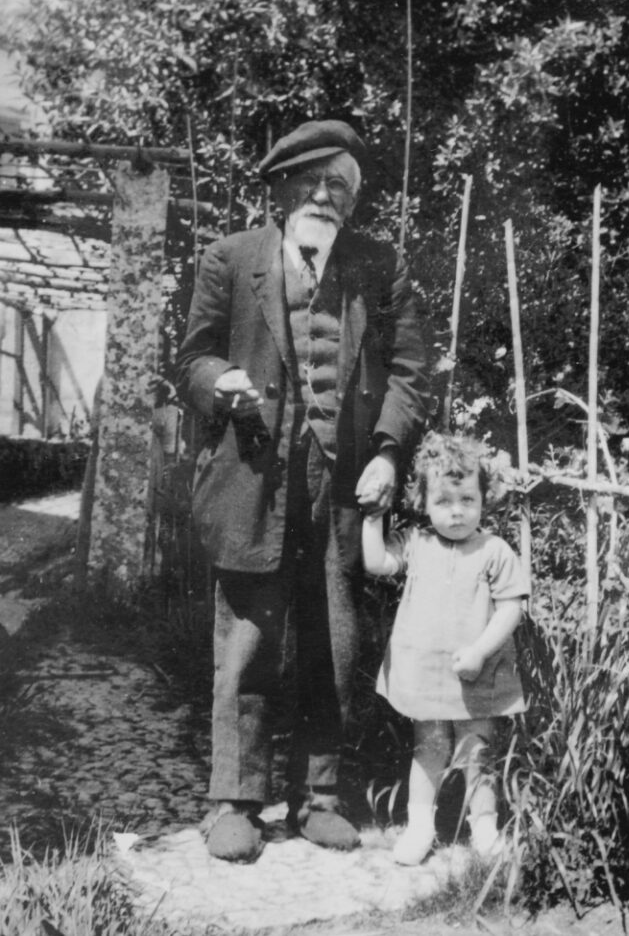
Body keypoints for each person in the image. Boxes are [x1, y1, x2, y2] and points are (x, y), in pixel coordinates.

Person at [175, 119, 430, 862]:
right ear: (283, 189)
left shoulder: (378, 266)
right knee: (248, 640)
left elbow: (411, 371)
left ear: (353, 199)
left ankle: (319, 798)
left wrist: (388, 452)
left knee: (335, 638)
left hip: (341, 480)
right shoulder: (230, 259)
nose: (324, 196)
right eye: (311, 183)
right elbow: (192, 359)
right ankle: (235, 803)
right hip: (253, 473)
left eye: (339, 186)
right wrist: (218, 381)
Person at [362, 431, 529, 865]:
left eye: (467, 500)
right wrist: (372, 519)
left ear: (484, 498)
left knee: (477, 748)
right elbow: (377, 562)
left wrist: (480, 651)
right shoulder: (417, 543)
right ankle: (421, 827)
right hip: (426, 673)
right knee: (429, 748)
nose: (457, 511)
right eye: (444, 501)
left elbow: (511, 608)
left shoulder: (494, 550)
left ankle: (485, 829)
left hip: (477, 672)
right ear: (424, 502)